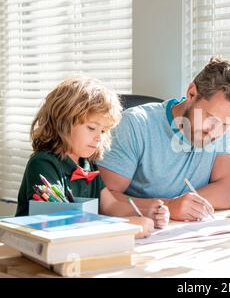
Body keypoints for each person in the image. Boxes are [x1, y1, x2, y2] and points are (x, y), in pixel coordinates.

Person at [98, 56, 230, 221]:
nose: (216, 132)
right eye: (212, 119)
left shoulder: (224, 128)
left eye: (226, 124)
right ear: (192, 93)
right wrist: (169, 207)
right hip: (140, 233)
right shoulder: (135, 124)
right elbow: (104, 198)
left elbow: (227, 194)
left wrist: (184, 205)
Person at [16, 78, 169, 238]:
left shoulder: (87, 165)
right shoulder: (43, 164)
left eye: (102, 131)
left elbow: (110, 205)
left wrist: (146, 212)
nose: (98, 138)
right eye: (92, 128)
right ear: (63, 122)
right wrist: (125, 228)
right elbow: (61, 223)